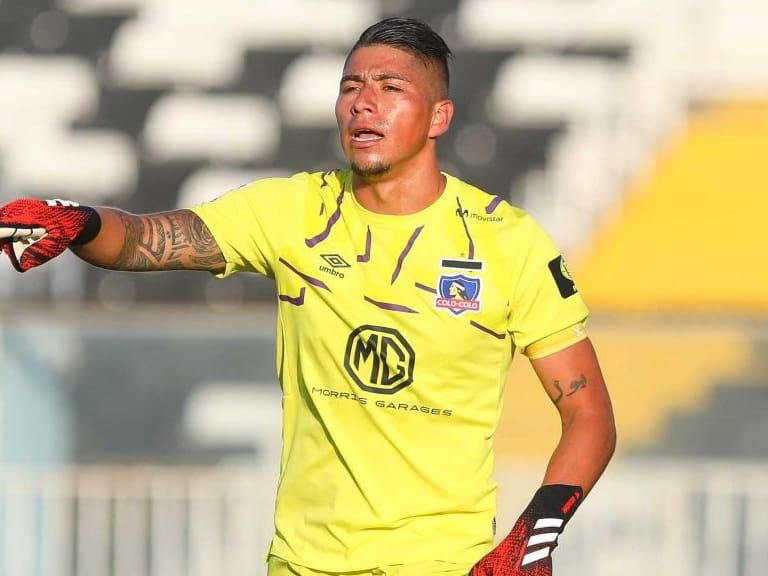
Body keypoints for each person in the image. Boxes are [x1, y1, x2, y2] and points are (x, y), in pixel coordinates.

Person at [0, 17, 615, 576]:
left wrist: (536, 535)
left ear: (439, 117)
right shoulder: (291, 211)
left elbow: (589, 417)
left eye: (390, 88)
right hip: (301, 564)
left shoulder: (510, 243)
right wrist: (77, 220)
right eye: (350, 87)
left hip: (443, 564)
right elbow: (145, 239)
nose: (363, 103)